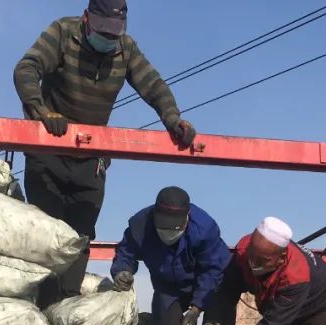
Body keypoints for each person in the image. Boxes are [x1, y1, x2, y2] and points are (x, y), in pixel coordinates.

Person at [14, 1, 197, 305]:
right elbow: (27, 68)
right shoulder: (63, 32)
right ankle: (41, 303)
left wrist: (173, 119)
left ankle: (66, 307)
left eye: (114, 32)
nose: (108, 38)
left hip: (91, 158)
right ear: (87, 18)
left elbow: (154, 86)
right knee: (46, 231)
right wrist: (41, 111)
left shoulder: (125, 48)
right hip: (49, 148)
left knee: (81, 234)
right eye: (102, 31)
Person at [109, 187, 230, 325]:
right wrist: (122, 270)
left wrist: (196, 309)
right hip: (168, 289)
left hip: (210, 286)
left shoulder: (205, 228)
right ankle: (148, 324)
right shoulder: (140, 225)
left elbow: (212, 270)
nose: (169, 232)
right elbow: (126, 252)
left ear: (187, 215)